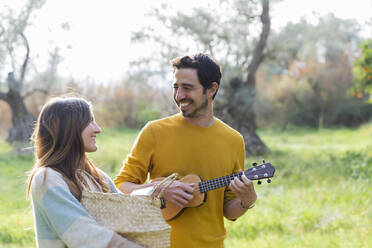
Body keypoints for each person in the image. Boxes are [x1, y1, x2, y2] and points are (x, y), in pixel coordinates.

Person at [114, 53, 257, 248]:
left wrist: (246, 201)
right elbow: (121, 187)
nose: (179, 95)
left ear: (211, 89)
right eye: (176, 87)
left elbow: (227, 209)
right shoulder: (154, 132)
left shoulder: (233, 140)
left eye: (187, 88)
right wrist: (159, 189)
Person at [27, 96, 144, 248]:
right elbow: (83, 234)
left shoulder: (98, 177)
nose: (98, 129)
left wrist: (157, 192)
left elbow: (128, 213)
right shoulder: (46, 179)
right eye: (90, 121)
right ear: (68, 128)